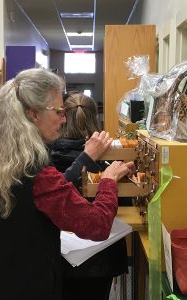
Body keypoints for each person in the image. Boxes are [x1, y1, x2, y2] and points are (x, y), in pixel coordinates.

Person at [0, 68, 136, 300]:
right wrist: (108, 181)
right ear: (33, 114)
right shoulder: (36, 172)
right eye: (59, 111)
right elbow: (96, 225)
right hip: (25, 284)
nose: (63, 118)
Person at [50, 92, 130, 300]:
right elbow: (123, 207)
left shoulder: (43, 159)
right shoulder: (110, 161)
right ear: (95, 118)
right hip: (101, 261)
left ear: (61, 117)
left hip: (56, 257)